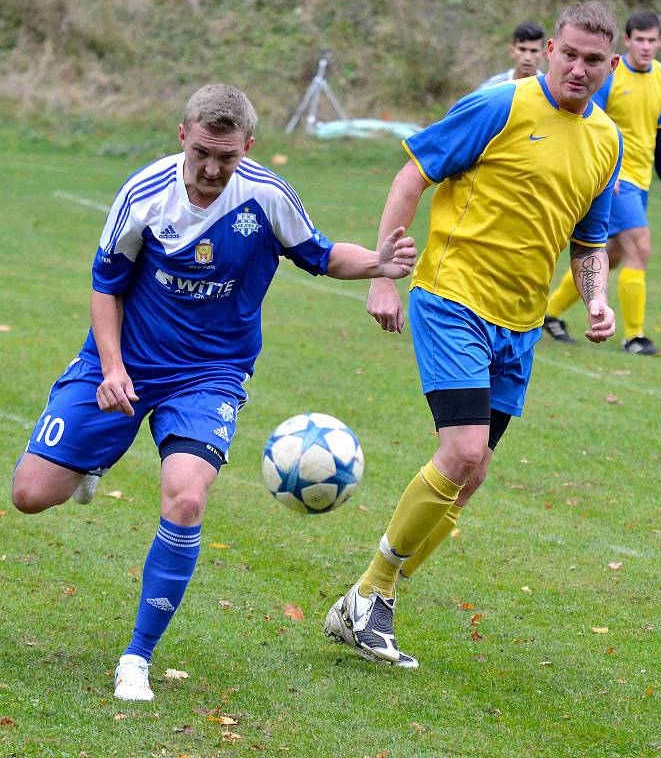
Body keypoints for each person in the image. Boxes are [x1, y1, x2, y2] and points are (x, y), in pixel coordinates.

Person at [11, 83, 416, 701]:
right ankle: (89, 459)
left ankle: (136, 658)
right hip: (124, 362)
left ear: (247, 148)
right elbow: (105, 286)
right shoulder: (142, 195)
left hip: (209, 375)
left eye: (225, 158)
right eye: (201, 151)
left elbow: (321, 253)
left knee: (185, 499)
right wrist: (114, 369)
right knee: (29, 495)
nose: (210, 169)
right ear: (182, 134)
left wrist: (379, 264)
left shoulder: (267, 196)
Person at [324, 2, 622, 668]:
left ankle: (370, 600)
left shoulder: (607, 140)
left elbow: (589, 239)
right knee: (461, 452)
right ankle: (371, 595)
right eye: (569, 53)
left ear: (611, 66)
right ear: (549, 49)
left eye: (593, 60)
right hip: (454, 298)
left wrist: (596, 299)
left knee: (473, 473)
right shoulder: (499, 106)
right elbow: (412, 174)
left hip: (518, 324)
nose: (578, 68)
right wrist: (381, 275)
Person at [543, 10, 661, 354]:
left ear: (660, 41)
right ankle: (634, 336)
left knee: (614, 254)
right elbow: (591, 118)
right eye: (640, 39)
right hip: (616, 178)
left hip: (642, 178)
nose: (646, 46)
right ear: (628, 42)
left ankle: (551, 313)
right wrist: (607, 172)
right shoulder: (611, 75)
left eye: (653, 40)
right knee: (640, 248)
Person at [477, 21, 546, 90]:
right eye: (522, 49)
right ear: (512, 51)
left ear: (543, 54)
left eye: (534, 51)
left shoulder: (551, 90)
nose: (527, 57)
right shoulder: (491, 87)